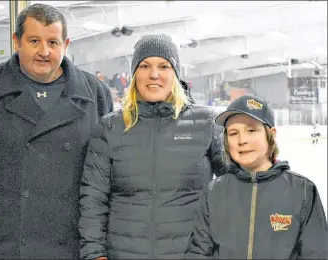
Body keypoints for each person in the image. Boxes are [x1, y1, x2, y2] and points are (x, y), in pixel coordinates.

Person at [0, 3, 113, 259]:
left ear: (66, 44)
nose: (44, 51)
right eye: (34, 41)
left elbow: (103, 168)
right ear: (17, 41)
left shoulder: (96, 94)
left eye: (53, 42)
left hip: (67, 242)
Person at [78, 34, 227, 260]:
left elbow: (236, 185)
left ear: (175, 74)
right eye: (145, 65)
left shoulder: (207, 124)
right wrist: (94, 253)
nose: (154, 74)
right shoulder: (110, 128)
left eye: (163, 66)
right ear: (134, 74)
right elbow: (93, 199)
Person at [186, 94, 327, 259]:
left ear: (271, 134)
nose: (242, 140)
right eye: (233, 133)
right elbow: (199, 252)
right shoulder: (213, 192)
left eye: (251, 130)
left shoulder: (303, 191)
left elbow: (316, 253)